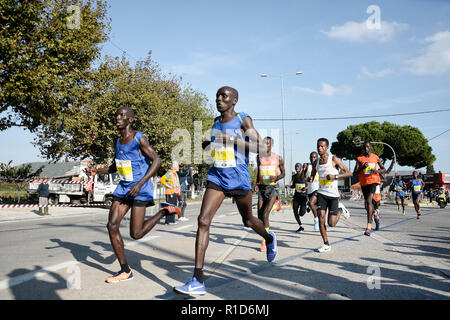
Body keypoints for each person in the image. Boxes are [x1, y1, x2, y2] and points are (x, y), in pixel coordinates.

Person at [173, 86, 277, 296]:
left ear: (234, 100)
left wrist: (231, 140)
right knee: (203, 220)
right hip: (217, 176)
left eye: (224, 96)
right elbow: (213, 148)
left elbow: (261, 148)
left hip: (238, 178)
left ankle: (269, 238)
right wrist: (205, 143)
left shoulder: (243, 119)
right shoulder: (215, 122)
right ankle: (197, 279)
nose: (219, 99)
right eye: (217, 96)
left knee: (248, 221)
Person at [86, 106, 180, 284]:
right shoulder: (118, 140)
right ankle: (125, 270)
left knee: (136, 234)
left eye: (122, 115)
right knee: (111, 225)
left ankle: (165, 211)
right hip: (123, 188)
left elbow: (157, 160)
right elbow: (115, 167)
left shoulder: (139, 138)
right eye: (116, 115)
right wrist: (96, 171)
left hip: (140, 188)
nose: (117, 118)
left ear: (130, 120)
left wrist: (140, 183)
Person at [308, 138, 352, 253]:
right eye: (318, 146)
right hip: (321, 194)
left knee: (331, 223)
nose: (319, 148)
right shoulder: (316, 162)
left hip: (333, 195)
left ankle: (340, 209)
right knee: (321, 220)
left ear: (327, 148)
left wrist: (335, 177)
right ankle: (326, 244)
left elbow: (348, 173)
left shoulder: (333, 159)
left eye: (322, 146)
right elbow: (313, 172)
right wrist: (311, 178)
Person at [255, 136, 285, 251]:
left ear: (271, 145)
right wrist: (256, 183)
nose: (265, 145)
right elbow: (258, 171)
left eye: (267, 143)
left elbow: (283, 173)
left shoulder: (278, 158)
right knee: (259, 216)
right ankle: (276, 205)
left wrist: (276, 177)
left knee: (265, 214)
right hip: (262, 188)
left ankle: (265, 241)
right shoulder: (259, 157)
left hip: (272, 188)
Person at [353, 141, 386, 236]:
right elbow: (354, 173)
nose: (366, 149)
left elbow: (383, 169)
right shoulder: (360, 158)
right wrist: (362, 168)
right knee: (366, 206)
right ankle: (375, 214)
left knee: (369, 201)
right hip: (364, 183)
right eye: (364, 147)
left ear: (370, 147)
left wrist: (376, 171)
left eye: (367, 147)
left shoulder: (375, 157)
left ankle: (368, 227)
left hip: (374, 181)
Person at [289, 163, 308, 233]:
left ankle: (306, 206)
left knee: (301, 213)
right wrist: (288, 186)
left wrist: (305, 188)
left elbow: (309, 185)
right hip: (296, 196)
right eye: (295, 166)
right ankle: (301, 226)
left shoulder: (305, 175)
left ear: (301, 168)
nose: (296, 168)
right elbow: (294, 186)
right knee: (295, 211)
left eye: (298, 166)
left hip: (303, 197)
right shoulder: (294, 176)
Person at [305, 152, 320, 230]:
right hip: (310, 190)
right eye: (311, 157)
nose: (313, 159)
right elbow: (303, 178)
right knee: (316, 207)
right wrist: (307, 180)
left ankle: (316, 220)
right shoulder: (307, 166)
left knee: (311, 203)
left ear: (317, 158)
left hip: (319, 189)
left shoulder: (320, 165)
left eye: (314, 157)